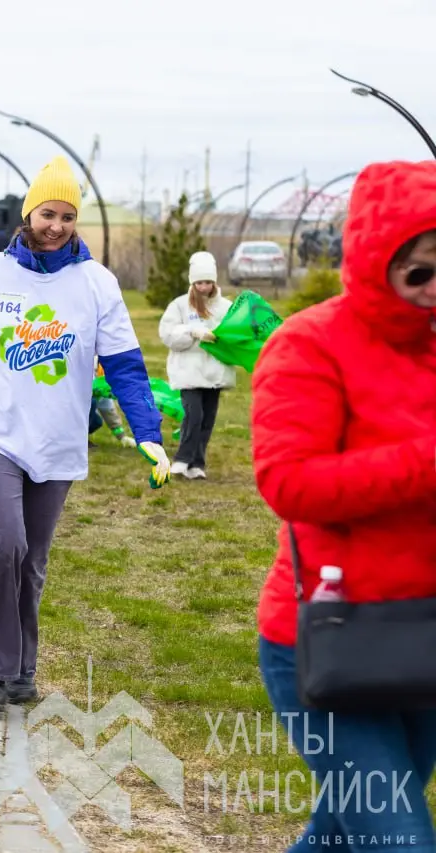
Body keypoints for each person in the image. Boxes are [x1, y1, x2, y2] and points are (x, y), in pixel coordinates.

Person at [0, 156, 170, 713]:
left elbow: (125, 365)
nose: (56, 225)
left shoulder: (97, 283)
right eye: (48, 213)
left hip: (58, 438)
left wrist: (148, 432)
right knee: (6, 544)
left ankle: (23, 665)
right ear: (29, 214)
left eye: (68, 216)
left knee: (33, 559)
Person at [253, 160, 436, 852]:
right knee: (401, 841)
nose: (432, 290)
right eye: (417, 272)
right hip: (328, 635)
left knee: (342, 833)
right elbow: (290, 483)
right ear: (370, 260)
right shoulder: (309, 344)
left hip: (424, 629)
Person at [158, 251, 235, 479]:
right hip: (189, 372)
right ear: (193, 282)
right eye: (199, 282)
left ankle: (197, 464)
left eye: (208, 282)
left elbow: (237, 333)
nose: (204, 287)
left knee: (207, 419)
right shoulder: (180, 306)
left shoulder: (226, 307)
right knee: (194, 415)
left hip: (215, 372)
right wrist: (192, 333)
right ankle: (182, 459)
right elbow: (168, 334)